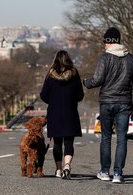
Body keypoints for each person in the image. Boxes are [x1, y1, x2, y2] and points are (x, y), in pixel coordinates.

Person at [83, 27, 133, 184]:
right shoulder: (131, 59)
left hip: (107, 102)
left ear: (109, 42)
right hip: (124, 104)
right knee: (122, 138)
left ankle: (104, 171)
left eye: (104, 42)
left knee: (106, 137)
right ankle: (117, 174)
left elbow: (97, 80)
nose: (103, 45)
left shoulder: (104, 58)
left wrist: (85, 82)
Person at [40, 50, 84, 180]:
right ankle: (67, 166)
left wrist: (53, 101)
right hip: (70, 112)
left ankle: (58, 170)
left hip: (54, 112)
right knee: (69, 143)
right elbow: (80, 95)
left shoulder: (50, 75)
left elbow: (43, 95)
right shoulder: (74, 74)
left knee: (57, 143)